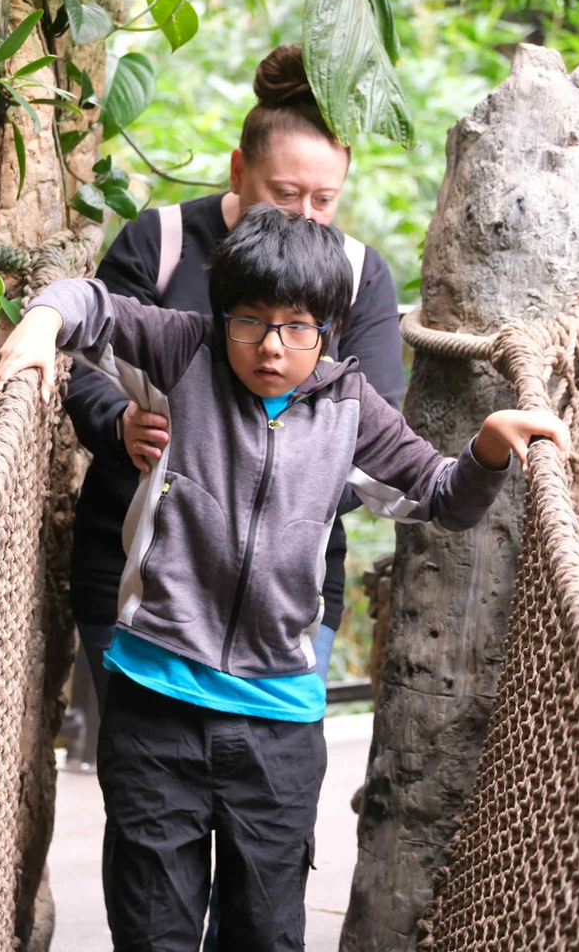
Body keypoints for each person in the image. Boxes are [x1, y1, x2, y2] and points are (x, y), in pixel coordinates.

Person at [0, 206, 570, 952]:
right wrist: (40, 326)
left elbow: (439, 495)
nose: (271, 347)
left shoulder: (348, 407)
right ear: (220, 315)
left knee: (266, 933)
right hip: (154, 707)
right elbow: (88, 304)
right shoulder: (184, 355)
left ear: (328, 328)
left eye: (297, 326)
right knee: (153, 931)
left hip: (278, 725)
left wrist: (488, 450)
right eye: (250, 321)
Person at [64, 44, 406, 712]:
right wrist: (120, 424)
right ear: (239, 169)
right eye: (284, 194)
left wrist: (262, 491)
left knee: (270, 796)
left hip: (286, 601)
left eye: (324, 200)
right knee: (148, 792)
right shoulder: (159, 241)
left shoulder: (361, 276)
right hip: (134, 569)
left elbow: (376, 425)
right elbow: (85, 369)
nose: (303, 215)